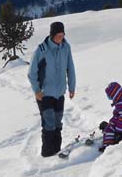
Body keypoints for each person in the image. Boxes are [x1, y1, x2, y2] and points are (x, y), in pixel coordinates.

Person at [27, 21, 77, 157]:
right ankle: (47, 155)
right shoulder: (41, 50)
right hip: (45, 95)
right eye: (58, 35)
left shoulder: (66, 47)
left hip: (60, 93)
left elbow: (70, 68)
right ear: (52, 35)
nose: (61, 38)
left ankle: (56, 153)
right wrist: (37, 90)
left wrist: (72, 87)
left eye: (63, 35)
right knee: (49, 125)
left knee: (57, 124)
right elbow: (31, 73)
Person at [98, 82, 122, 152]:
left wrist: (118, 130)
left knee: (109, 129)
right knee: (111, 124)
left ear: (114, 95)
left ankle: (107, 146)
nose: (108, 97)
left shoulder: (121, 103)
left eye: (109, 95)